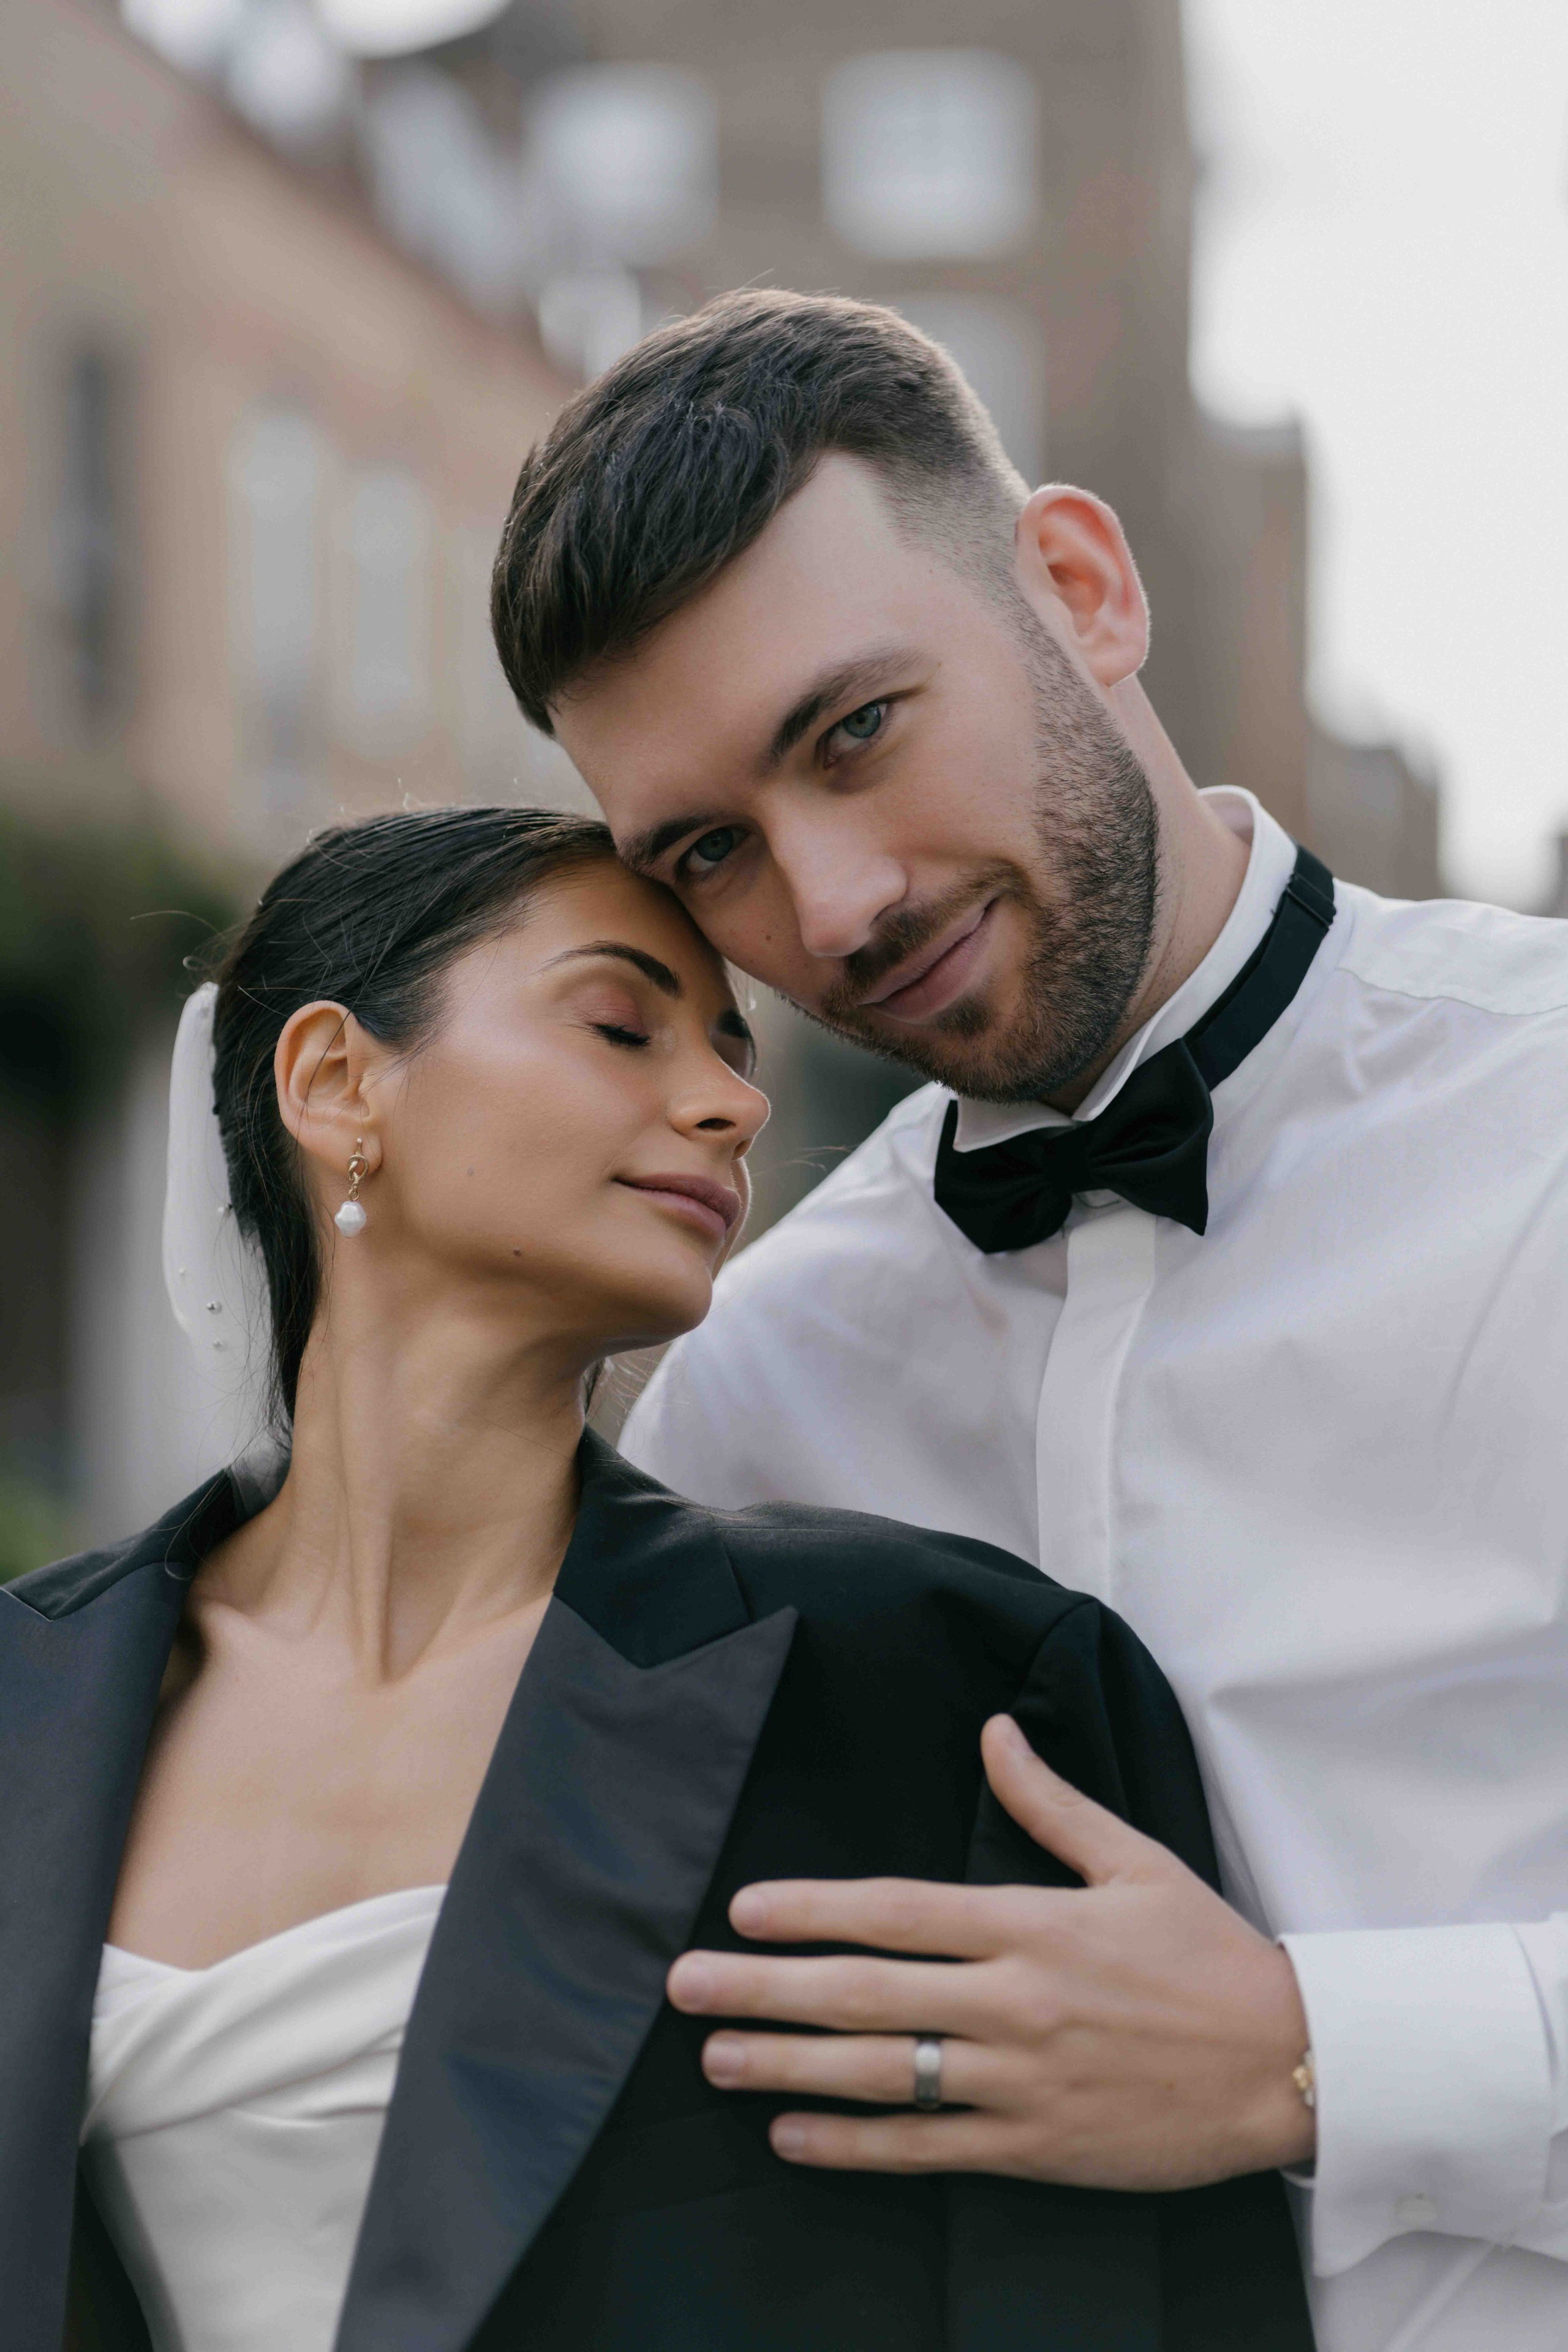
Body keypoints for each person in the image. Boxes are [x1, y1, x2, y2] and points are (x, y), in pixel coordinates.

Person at [488, 288, 1568, 2352]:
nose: (830, 909)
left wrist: (1310, 2053)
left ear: (1080, 588)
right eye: (709, 851)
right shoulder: (749, 1391)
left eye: (857, 732)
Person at [0, 807, 1310, 2352]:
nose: (732, 1105)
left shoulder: (940, 1685)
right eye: (622, 1023)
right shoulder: (34, 1701)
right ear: (338, 1082)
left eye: (734, 1052)